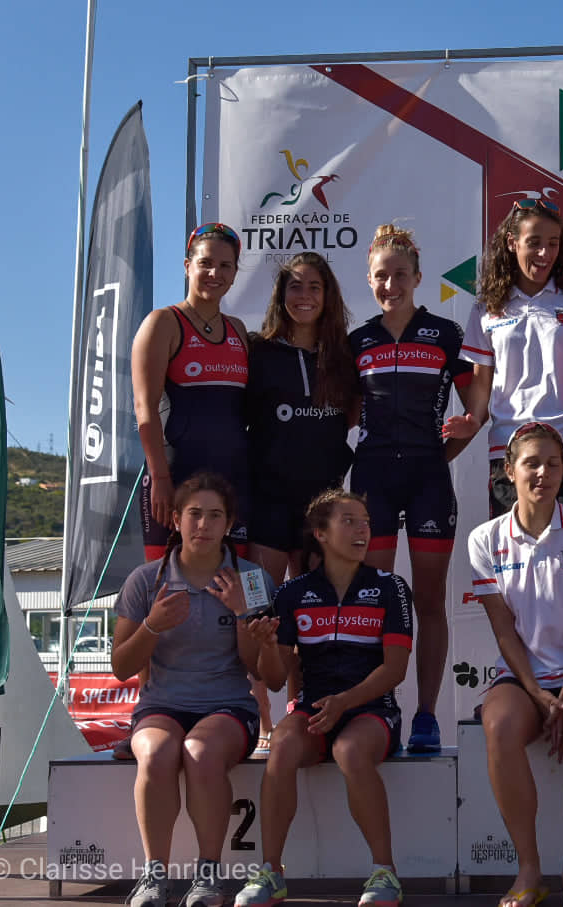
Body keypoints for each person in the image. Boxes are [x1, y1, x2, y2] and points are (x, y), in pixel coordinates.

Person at [235, 490, 413, 907]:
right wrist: (266, 646)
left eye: (365, 521)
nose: (362, 530)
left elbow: (395, 670)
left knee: (350, 750)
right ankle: (271, 872)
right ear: (320, 533)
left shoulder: (389, 587)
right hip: (314, 710)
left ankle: (385, 873)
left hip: (373, 710)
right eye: (349, 521)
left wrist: (345, 702)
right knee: (281, 746)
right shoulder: (292, 593)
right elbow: (274, 680)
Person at [468, 422, 563, 907]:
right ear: (508, 471)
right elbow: (503, 630)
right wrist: (537, 694)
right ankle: (528, 870)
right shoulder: (484, 538)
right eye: (531, 463)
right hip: (522, 676)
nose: (542, 474)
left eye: (553, 464)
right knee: (498, 725)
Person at [111, 472, 270, 907]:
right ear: (176, 519)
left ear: (229, 524)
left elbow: (261, 670)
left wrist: (243, 615)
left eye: (215, 515)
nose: (203, 524)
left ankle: (208, 875)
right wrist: (151, 626)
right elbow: (121, 667)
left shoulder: (251, 579)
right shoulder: (146, 580)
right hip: (162, 706)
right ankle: (154, 876)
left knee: (200, 752)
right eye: (194, 514)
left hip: (229, 707)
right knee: (156, 753)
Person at [348, 224, 473, 753]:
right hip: (373, 479)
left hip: (427, 479)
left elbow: (475, 408)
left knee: (428, 600)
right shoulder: (358, 341)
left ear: (418, 278)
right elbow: (345, 415)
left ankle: (425, 715)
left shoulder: (445, 334)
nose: (391, 285)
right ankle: (377, 705)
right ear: (369, 280)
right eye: (381, 276)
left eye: (400, 275)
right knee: (375, 598)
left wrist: (446, 451)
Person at [452, 198, 563, 515]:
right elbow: (482, 388)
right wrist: (472, 420)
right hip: (510, 447)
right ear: (512, 243)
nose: (544, 253)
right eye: (534, 243)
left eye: (553, 243)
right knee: (513, 545)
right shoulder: (487, 308)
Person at [132, 223, 250, 561]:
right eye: (205, 263)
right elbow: (144, 408)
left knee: (233, 581)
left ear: (235, 273)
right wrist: (159, 476)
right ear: (188, 266)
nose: (215, 273)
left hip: (232, 478)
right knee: (166, 582)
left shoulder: (238, 329)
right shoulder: (163, 323)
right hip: (176, 476)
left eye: (225, 266)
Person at [245, 251, 358, 586]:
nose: (304, 296)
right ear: (281, 295)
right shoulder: (258, 350)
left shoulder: (343, 356)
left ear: (327, 296)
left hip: (323, 501)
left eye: (314, 287)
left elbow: (351, 415)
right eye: (295, 286)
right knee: (258, 605)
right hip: (268, 502)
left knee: (318, 607)